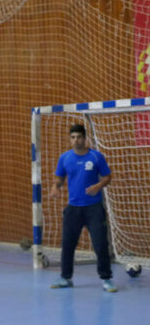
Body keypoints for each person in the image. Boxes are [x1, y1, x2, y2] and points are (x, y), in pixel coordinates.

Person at [48, 123, 116, 292]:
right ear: (69, 139)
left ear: (85, 138)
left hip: (94, 208)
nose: (76, 140)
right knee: (68, 244)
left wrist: (98, 185)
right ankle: (65, 278)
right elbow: (59, 177)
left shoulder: (96, 157)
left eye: (79, 137)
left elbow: (107, 177)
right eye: (73, 137)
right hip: (73, 208)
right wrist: (56, 186)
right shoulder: (64, 158)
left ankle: (106, 279)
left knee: (100, 245)